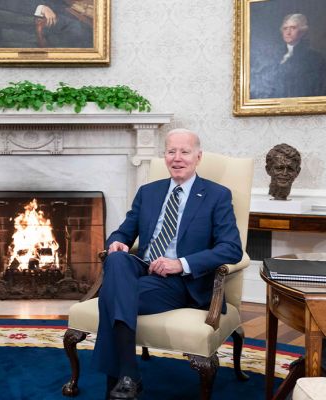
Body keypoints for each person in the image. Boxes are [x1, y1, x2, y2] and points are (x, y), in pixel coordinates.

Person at [92, 129, 243, 400]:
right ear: (164, 156)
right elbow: (123, 232)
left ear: (198, 157)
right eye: (171, 151)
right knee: (116, 259)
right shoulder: (148, 192)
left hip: (180, 282)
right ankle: (129, 375)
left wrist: (180, 264)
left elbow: (231, 248)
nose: (177, 158)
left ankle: (121, 378)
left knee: (111, 296)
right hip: (144, 267)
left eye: (185, 152)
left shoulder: (217, 195)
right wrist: (117, 242)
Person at [251, 13, 326, 99]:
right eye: (285, 28)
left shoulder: (315, 58)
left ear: (302, 32)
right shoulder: (274, 55)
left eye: (293, 28)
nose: (288, 32)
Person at [0, 0, 93, 48]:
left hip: (50, 16)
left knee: (86, 25)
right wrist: (41, 8)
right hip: (25, 24)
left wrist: (77, 7)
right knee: (82, 31)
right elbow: (2, 3)